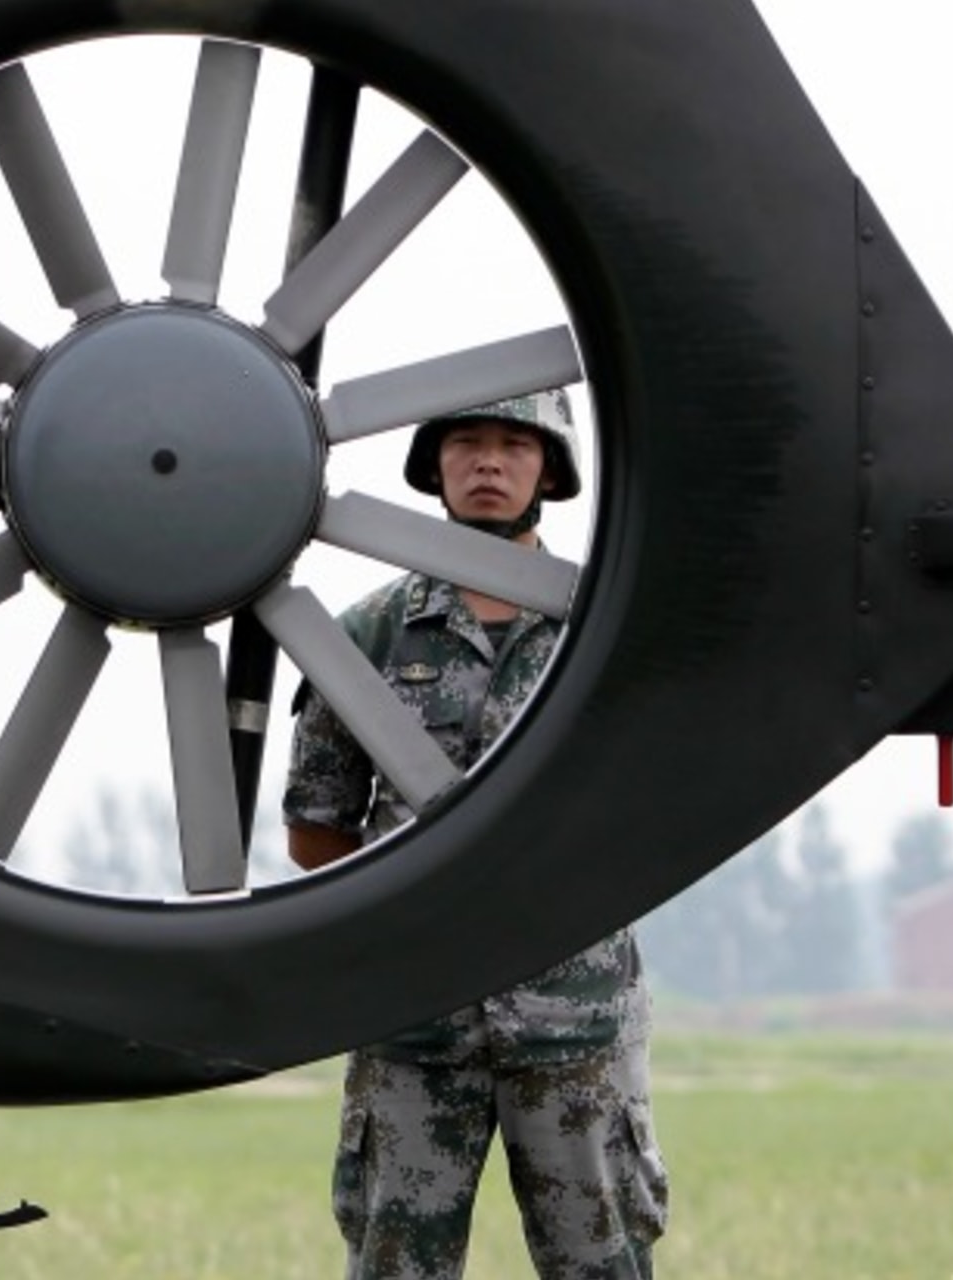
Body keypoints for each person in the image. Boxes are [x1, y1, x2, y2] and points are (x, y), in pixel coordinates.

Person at [283, 390, 668, 1280]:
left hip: (575, 1027)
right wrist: (418, 912)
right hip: (412, 1026)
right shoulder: (370, 634)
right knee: (395, 1267)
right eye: (467, 442)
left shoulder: (606, 624)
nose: (489, 462)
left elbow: (656, 812)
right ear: (435, 465)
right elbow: (316, 831)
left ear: (550, 471)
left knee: (602, 1264)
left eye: (513, 445)